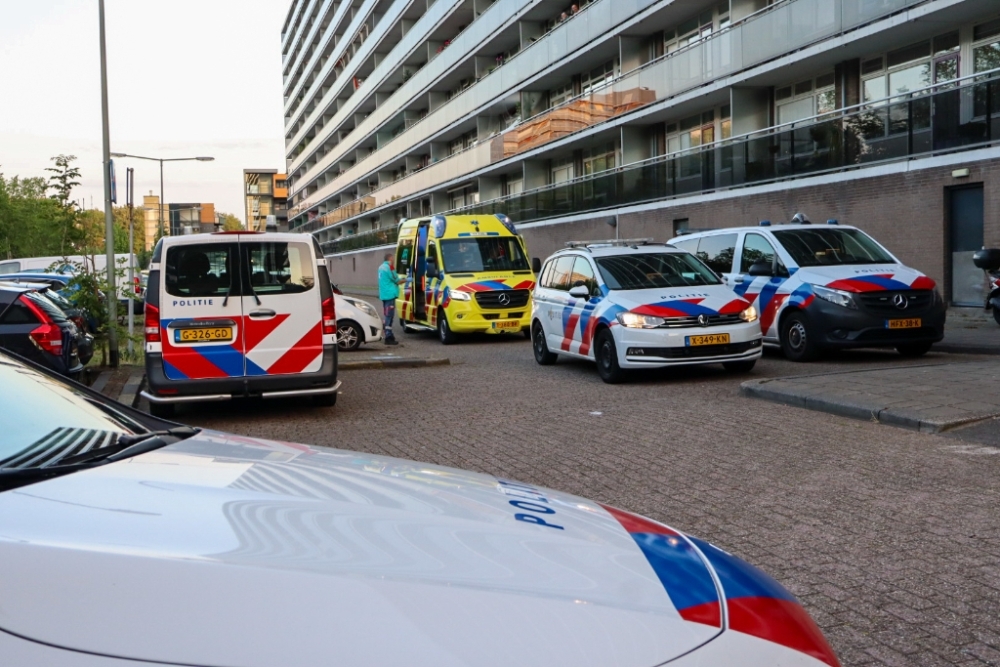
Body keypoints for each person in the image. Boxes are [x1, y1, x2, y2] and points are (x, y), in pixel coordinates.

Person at [378, 253, 404, 345]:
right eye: (393, 258)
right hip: (390, 294)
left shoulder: (380, 267)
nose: (393, 259)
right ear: (390, 258)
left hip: (384, 295)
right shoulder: (390, 267)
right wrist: (407, 279)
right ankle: (388, 337)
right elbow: (396, 280)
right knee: (389, 316)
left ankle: (389, 334)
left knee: (386, 314)